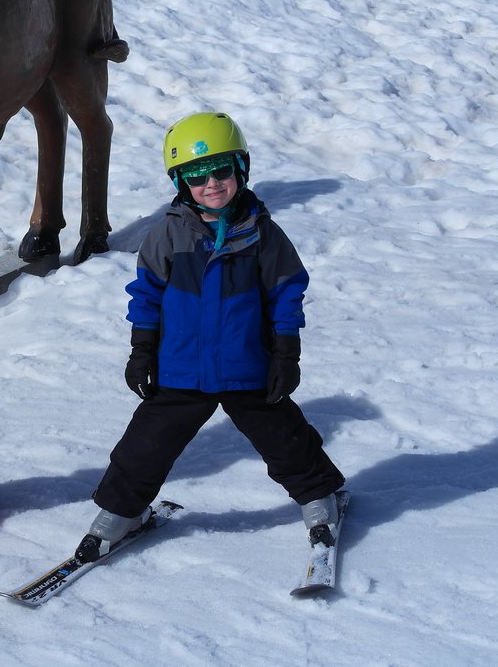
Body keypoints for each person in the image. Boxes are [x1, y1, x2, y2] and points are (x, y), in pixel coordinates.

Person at [74, 111, 346, 563]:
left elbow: (286, 293)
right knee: (145, 446)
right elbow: (147, 294)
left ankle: (322, 496)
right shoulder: (168, 234)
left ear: (241, 170)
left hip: (249, 365)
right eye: (197, 177)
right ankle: (121, 513)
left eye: (221, 171)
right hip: (180, 368)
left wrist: (285, 352)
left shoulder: (263, 235)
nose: (212, 184)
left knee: (284, 439)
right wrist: (142, 349)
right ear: (181, 183)